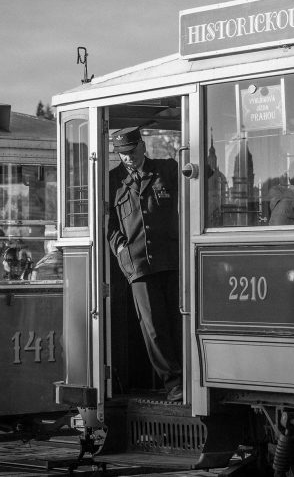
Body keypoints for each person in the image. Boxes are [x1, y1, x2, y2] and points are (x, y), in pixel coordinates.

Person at [106, 127, 182, 402]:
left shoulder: (167, 169)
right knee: (154, 328)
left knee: (177, 320)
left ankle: (187, 375)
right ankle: (174, 384)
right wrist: (122, 251)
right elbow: (110, 226)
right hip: (138, 264)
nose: (126, 158)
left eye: (130, 152)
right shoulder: (113, 180)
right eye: (121, 154)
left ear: (142, 146)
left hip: (172, 259)